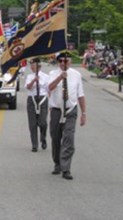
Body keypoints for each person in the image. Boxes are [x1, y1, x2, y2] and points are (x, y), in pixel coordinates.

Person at [48, 51, 87, 180]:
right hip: (56, 110)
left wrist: (84, 113)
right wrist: (60, 78)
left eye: (66, 61)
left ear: (70, 62)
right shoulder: (53, 74)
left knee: (69, 138)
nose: (64, 64)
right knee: (55, 137)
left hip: (71, 110)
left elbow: (80, 95)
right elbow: (49, 88)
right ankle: (57, 163)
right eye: (61, 61)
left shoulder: (76, 75)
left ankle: (66, 168)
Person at [25, 58, 49, 152]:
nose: (32, 67)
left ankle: (43, 138)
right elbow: (28, 87)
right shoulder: (29, 76)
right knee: (32, 124)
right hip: (32, 98)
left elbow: (49, 89)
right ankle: (34, 144)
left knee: (43, 122)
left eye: (33, 65)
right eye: (31, 65)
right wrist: (34, 80)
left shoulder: (46, 77)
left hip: (42, 98)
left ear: (39, 66)